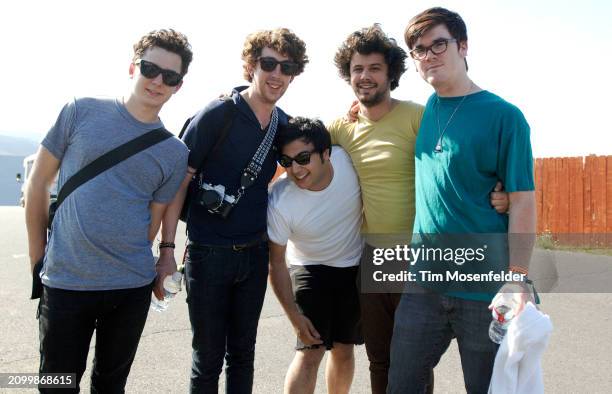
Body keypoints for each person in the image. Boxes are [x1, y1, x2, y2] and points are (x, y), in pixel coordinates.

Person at [329, 24, 508, 394]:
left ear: (391, 73)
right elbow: (300, 140)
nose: (365, 76)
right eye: (357, 69)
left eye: (375, 68)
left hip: (420, 256)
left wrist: (502, 191)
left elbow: (462, 150)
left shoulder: (418, 115)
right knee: (381, 359)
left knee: (414, 358)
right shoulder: (342, 128)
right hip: (375, 255)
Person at [25, 29, 192, 392]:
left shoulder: (174, 152)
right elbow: (37, 185)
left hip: (129, 288)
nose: (158, 80)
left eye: (170, 76)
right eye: (150, 68)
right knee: (56, 385)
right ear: (132, 68)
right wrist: (39, 259)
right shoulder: (80, 111)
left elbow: (152, 219)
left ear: (179, 86)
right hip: (66, 282)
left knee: (111, 386)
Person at [387, 7, 537, 393]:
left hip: (483, 290)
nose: (429, 54)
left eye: (439, 43)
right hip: (423, 284)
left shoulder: (505, 117)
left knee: (488, 389)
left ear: (463, 46)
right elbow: (379, 114)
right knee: (401, 384)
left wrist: (517, 278)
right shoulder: (426, 111)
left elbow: (521, 201)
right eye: (419, 49)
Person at [156, 28, 308, 393]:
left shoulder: (281, 124)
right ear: (251, 65)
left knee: (243, 355)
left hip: (254, 255)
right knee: (206, 360)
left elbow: (309, 153)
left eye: (286, 67)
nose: (277, 74)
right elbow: (178, 183)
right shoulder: (216, 115)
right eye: (268, 63)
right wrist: (167, 248)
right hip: (208, 254)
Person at [267, 117, 363, 394]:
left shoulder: (347, 161)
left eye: (304, 158)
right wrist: (294, 317)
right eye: (287, 161)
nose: (296, 169)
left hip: (354, 265)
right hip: (309, 268)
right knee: (311, 350)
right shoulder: (281, 200)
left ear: (326, 153)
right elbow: (276, 263)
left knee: (344, 349)